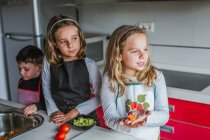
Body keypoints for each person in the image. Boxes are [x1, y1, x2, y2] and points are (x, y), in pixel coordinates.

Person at [100, 25, 169, 140]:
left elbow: (164, 115)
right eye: (135, 51)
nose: (143, 55)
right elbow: (109, 117)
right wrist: (124, 123)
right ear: (119, 55)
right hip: (120, 136)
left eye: (145, 49)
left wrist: (145, 118)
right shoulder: (110, 78)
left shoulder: (156, 76)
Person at [42, 15, 102, 125]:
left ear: (80, 37)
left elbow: (100, 97)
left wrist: (76, 112)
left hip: (86, 118)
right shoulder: (48, 61)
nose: (70, 45)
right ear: (55, 44)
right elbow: (46, 87)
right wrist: (54, 110)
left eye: (74, 38)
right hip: (58, 118)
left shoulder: (90, 65)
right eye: (63, 41)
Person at [16, 45, 46, 116]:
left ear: (39, 68)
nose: (21, 72)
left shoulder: (44, 83)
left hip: (39, 116)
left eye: (26, 69)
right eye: (20, 69)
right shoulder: (21, 81)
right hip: (23, 114)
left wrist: (37, 106)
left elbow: (51, 103)